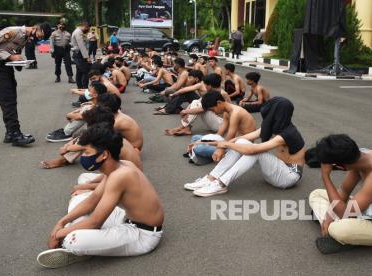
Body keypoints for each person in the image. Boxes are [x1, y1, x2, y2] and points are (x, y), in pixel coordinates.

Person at [37, 124, 164, 268]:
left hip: (142, 235)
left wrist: (58, 234)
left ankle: (83, 250)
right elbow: (92, 200)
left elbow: (95, 222)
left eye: (86, 152)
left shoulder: (120, 175)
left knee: (72, 239)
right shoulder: (120, 165)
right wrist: (60, 223)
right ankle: (94, 243)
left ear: (104, 154)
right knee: (79, 200)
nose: (83, 156)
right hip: (126, 219)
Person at [185, 97, 305, 197]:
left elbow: (253, 150)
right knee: (242, 141)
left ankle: (221, 184)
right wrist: (206, 143)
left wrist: (225, 144)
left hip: (288, 177)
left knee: (255, 150)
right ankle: (211, 178)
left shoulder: (287, 134)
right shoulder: (275, 126)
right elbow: (241, 139)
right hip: (277, 170)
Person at [0, 22, 52, 146]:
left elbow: (12, 51)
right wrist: (10, 56)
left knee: (11, 100)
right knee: (8, 101)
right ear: (37, 28)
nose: (38, 39)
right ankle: (15, 134)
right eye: (40, 36)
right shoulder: (13, 31)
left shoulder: (25, 37)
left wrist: (20, 60)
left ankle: (10, 132)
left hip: (6, 67)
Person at [40, 106, 142, 170]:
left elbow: (82, 144)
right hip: (126, 163)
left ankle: (63, 160)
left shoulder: (109, 132)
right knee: (86, 141)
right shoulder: (108, 125)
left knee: (87, 145)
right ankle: (64, 160)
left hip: (127, 169)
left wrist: (67, 148)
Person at [187, 91, 257, 165]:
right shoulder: (227, 111)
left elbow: (229, 139)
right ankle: (208, 156)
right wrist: (205, 141)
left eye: (212, 109)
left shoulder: (236, 114)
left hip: (240, 147)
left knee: (199, 148)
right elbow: (219, 134)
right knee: (195, 138)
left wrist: (204, 143)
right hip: (232, 142)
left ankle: (205, 156)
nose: (214, 112)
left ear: (219, 102)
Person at [165, 73, 231, 136]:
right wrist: (187, 110)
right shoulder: (211, 93)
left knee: (198, 105)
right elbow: (198, 102)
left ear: (210, 85)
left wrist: (185, 111)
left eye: (205, 85)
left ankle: (182, 127)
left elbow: (202, 109)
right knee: (196, 101)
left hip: (221, 124)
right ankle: (186, 128)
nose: (205, 87)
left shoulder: (223, 94)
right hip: (215, 120)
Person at [71, 22, 91, 89]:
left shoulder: (79, 32)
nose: (88, 30)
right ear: (85, 26)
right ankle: (85, 88)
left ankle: (80, 88)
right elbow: (81, 45)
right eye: (88, 28)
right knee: (85, 71)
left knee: (79, 72)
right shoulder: (78, 32)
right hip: (79, 54)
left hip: (79, 54)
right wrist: (87, 57)